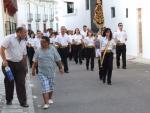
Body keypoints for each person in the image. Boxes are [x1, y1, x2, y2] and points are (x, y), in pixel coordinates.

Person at [32, 36, 64, 109]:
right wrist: (33, 70)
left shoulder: (52, 49)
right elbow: (35, 61)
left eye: (43, 42)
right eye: (40, 42)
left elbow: (57, 59)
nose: (41, 44)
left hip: (51, 71)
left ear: (47, 43)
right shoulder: (38, 50)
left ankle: (49, 98)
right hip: (41, 72)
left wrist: (60, 67)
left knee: (51, 87)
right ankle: (46, 103)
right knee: (45, 87)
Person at [0, 27, 29, 107]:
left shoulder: (24, 41)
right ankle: (9, 99)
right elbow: (2, 49)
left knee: (21, 83)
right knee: (9, 81)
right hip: (9, 64)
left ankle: (23, 102)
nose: (26, 34)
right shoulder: (9, 38)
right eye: (24, 32)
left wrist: (25, 66)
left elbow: (24, 55)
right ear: (19, 32)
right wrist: (4, 60)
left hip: (20, 64)